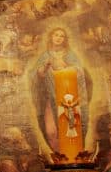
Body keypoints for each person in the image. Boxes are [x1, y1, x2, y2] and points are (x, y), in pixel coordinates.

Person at [30, 25, 88, 153]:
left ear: (65, 40)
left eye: (62, 36)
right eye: (56, 35)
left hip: (69, 98)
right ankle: (59, 154)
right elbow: (37, 75)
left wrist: (66, 67)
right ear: (51, 37)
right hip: (51, 98)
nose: (58, 38)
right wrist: (46, 65)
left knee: (70, 127)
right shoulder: (45, 55)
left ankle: (71, 153)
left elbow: (79, 72)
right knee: (51, 131)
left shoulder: (70, 54)